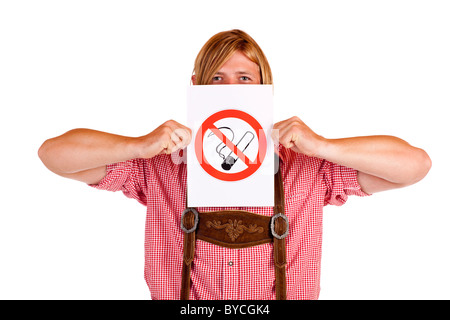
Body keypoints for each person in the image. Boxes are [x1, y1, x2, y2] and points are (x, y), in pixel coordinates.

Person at [38, 29, 431, 300]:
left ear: (265, 87)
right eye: (216, 79)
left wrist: (323, 145)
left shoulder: (308, 168)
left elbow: (414, 165)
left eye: (245, 78)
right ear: (195, 85)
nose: (229, 90)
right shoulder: (160, 165)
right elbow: (53, 155)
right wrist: (138, 145)